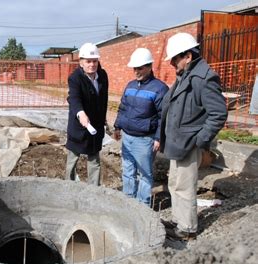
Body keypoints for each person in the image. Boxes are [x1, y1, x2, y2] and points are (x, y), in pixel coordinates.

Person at [160, 32, 227, 240]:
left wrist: (200, 140)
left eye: (175, 59)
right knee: (175, 184)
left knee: (185, 186)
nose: (172, 63)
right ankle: (179, 221)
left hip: (189, 143)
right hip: (178, 143)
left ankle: (187, 229)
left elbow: (218, 113)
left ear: (188, 56)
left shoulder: (203, 78)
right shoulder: (186, 76)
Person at [113, 48, 168, 206]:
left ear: (150, 66)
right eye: (134, 68)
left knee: (145, 174)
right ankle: (128, 201)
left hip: (145, 140)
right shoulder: (130, 85)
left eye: (140, 68)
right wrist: (117, 127)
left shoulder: (159, 88)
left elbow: (163, 116)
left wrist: (158, 138)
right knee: (128, 171)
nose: (136, 71)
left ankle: (142, 205)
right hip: (128, 137)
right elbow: (123, 108)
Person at [65, 42, 109, 185]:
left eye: (94, 61)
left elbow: (103, 99)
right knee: (73, 159)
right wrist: (81, 114)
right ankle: (68, 186)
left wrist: (103, 119)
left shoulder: (102, 76)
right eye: (88, 61)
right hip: (79, 127)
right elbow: (74, 98)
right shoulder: (75, 78)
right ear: (81, 62)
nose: (92, 64)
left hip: (95, 126)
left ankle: (93, 190)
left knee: (94, 159)